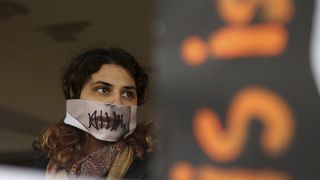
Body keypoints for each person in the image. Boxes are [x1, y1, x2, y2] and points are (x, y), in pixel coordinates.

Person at [33, 47, 155, 179]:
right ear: (74, 93)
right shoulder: (45, 166)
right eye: (103, 90)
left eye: (128, 94)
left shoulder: (154, 169)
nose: (117, 102)